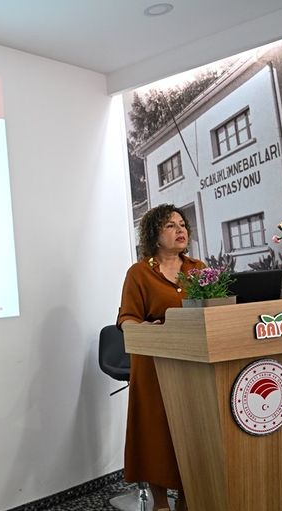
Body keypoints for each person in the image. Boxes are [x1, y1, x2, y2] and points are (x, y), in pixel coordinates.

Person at [117, 203, 204, 511]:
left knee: (191, 431)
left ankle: (187, 499)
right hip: (154, 363)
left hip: (194, 362)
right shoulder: (139, 273)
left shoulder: (198, 269)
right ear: (154, 234)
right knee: (156, 432)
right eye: (170, 225)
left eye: (182, 224)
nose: (180, 230)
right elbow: (127, 318)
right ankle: (160, 503)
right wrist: (145, 329)